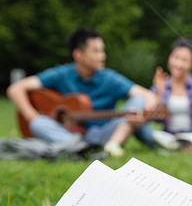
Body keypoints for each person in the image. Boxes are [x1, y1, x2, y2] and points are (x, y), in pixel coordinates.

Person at [6, 27, 159, 157]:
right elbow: (15, 89)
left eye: (102, 51)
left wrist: (142, 114)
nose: (103, 56)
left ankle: (110, 146)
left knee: (138, 100)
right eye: (96, 51)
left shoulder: (109, 78)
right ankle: (80, 148)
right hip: (68, 134)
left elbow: (148, 96)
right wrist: (31, 115)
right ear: (78, 54)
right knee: (38, 123)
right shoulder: (61, 74)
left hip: (103, 134)